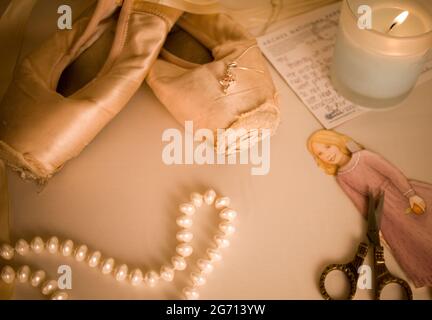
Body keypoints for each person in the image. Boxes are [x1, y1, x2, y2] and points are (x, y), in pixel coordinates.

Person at [307, 129, 432, 288]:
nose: (326, 154)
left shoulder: (365, 157)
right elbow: (362, 204)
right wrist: (377, 228)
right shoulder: (341, 177)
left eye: (327, 146)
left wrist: (411, 194)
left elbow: (393, 173)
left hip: (401, 197)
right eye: (320, 154)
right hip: (388, 217)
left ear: (337, 142)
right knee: (413, 244)